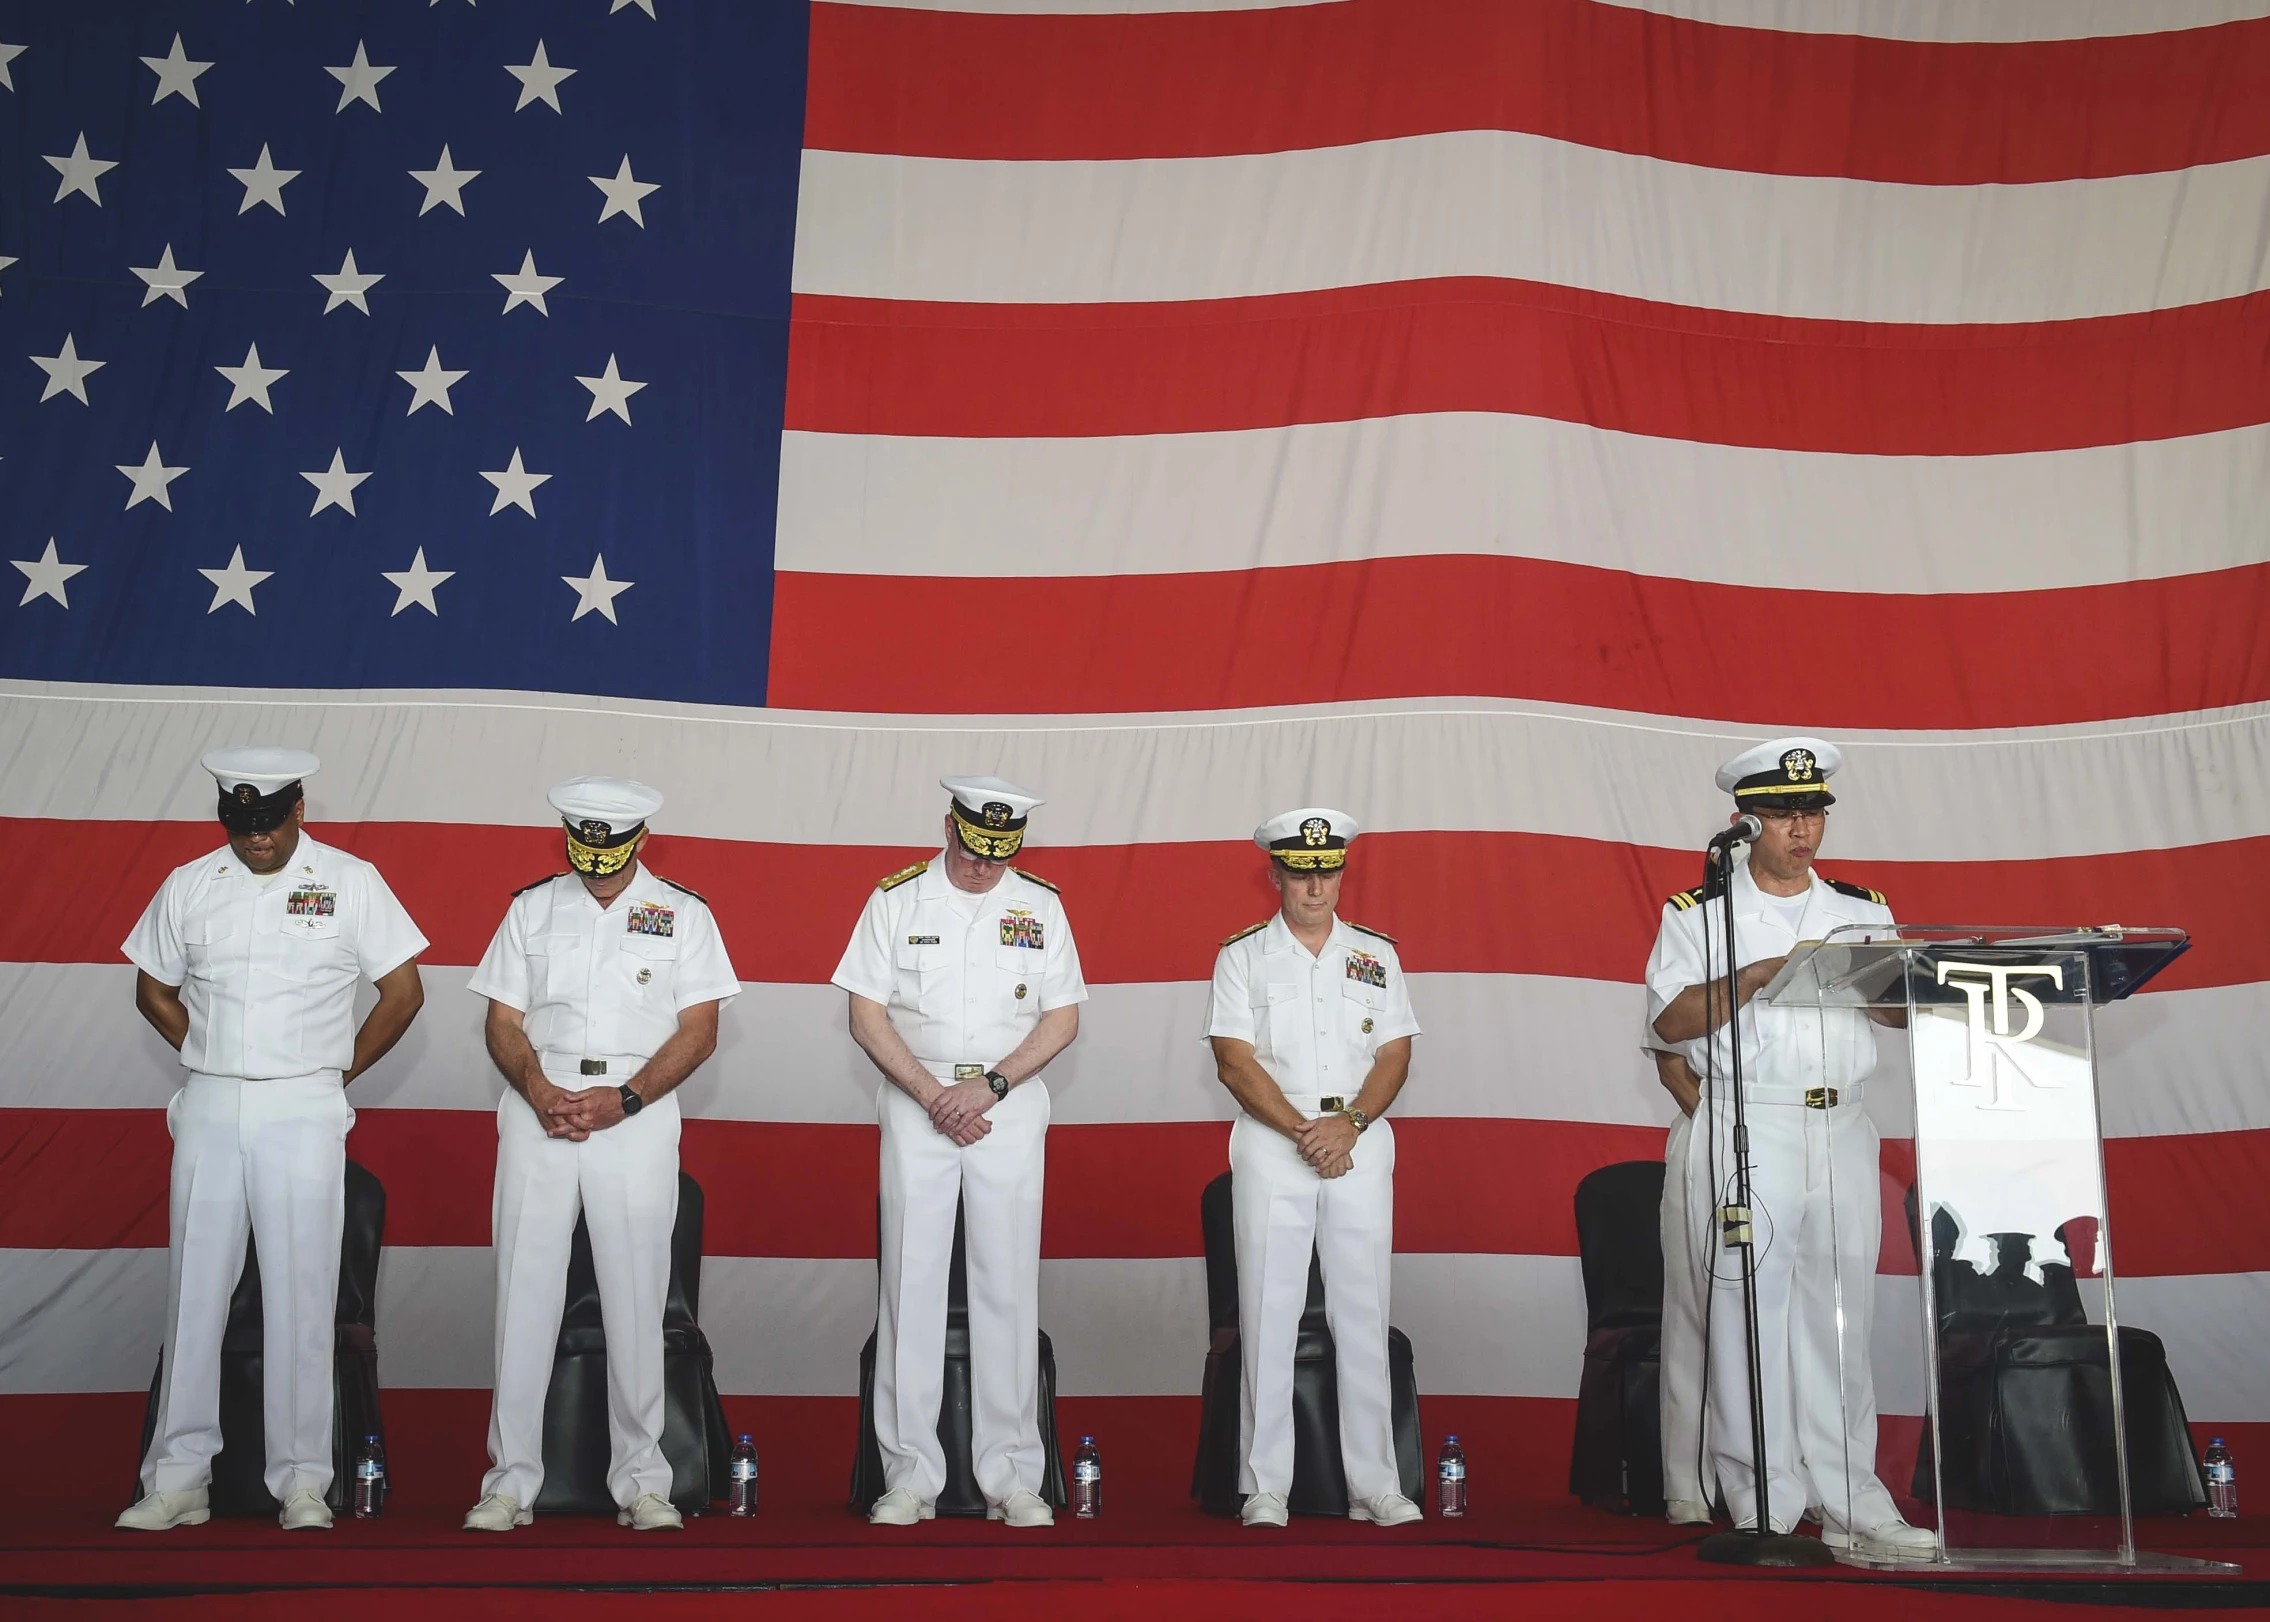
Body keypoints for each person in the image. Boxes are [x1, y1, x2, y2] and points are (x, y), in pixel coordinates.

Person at [118, 748, 428, 1532]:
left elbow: (404, 990)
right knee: (195, 1295)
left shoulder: (351, 880)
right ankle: (179, 1477)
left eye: (267, 824)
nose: (255, 839)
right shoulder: (191, 884)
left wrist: (334, 1072)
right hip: (213, 1104)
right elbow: (151, 985)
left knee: (303, 1292)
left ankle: (301, 1482)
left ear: (299, 809)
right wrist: (208, 1050)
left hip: (304, 1106)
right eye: (240, 824)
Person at [1643, 737, 1933, 1556]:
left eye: (1812, 812)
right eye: (1782, 814)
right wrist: (1756, 975)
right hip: (1751, 1119)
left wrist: (1916, 983)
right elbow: (1667, 1024)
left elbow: (1894, 1015)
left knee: (1841, 1315)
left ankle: (1854, 1496)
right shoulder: (1700, 912)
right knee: (1746, 1311)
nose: (1801, 828)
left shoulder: (1860, 906)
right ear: (1745, 822)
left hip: (1840, 1123)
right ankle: (1761, 1495)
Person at [461, 777, 740, 1534]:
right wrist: (537, 1087)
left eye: (613, 848)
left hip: (636, 1115)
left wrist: (630, 1097)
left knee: (637, 1298)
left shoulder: (685, 913)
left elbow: (699, 1028)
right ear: (570, 840)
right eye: (586, 847)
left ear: (640, 840)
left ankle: (644, 1480)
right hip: (539, 1109)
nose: (600, 862)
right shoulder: (532, 907)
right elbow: (504, 1019)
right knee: (522, 1299)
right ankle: (509, 1481)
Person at [832, 776, 1086, 1528]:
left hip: (1004, 1108)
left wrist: (991, 1088)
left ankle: (1013, 1477)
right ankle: (909, 1475)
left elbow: (1063, 1017)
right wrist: (928, 1092)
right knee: (909, 1286)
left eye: (998, 852)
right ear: (950, 827)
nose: (982, 866)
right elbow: (864, 1012)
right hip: (918, 1107)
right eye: (973, 848)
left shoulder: (1040, 905)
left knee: (1006, 1286)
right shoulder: (896, 899)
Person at [1205, 808, 1422, 1529]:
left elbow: (1395, 1052)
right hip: (1277, 1143)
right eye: (1301, 871)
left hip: (1358, 1139)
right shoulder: (1241, 955)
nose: (1315, 884)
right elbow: (1234, 1062)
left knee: (1363, 1312)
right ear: (1276, 874)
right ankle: (1266, 1485)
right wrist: (1305, 1130)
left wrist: (1349, 1124)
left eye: (1327, 870)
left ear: (1342, 872)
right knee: (1268, 1312)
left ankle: (1376, 1485)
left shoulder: (1376, 955)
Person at [1651, 1047, 1714, 1524]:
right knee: (1696, 1317)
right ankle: (1689, 1484)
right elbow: (1672, 1063)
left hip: (1807, 1135)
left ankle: (1803, 1476)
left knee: (1797, 1324)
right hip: (1710, 1135)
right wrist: (1726, 1128)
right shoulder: (1690, 967)